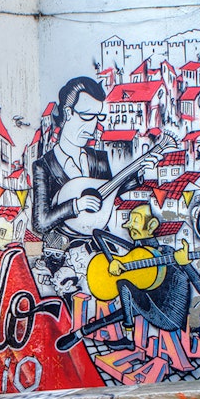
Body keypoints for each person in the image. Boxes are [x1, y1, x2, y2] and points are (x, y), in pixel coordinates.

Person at [57, 204, 200, 350]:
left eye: (135, 220)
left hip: (168, 315)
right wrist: (111, 260)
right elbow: (98, 233)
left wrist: (184, 264)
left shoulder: (168, 253)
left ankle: (128, 338)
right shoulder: (136, 253)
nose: (127, 225)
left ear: (152, 225)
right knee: (127, 300)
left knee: (124, 284)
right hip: (149, 304)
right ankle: (79, 334)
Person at [33, 77, 155, 268]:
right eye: (87, 116)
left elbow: (108, 194)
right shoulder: (45, 165)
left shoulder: (98, 158)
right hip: (61, 259)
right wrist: (76, 205)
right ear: (68, 113)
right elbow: (41, 222)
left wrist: (139, 174)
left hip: (100, 253)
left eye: (98, 117)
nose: (93, 126)